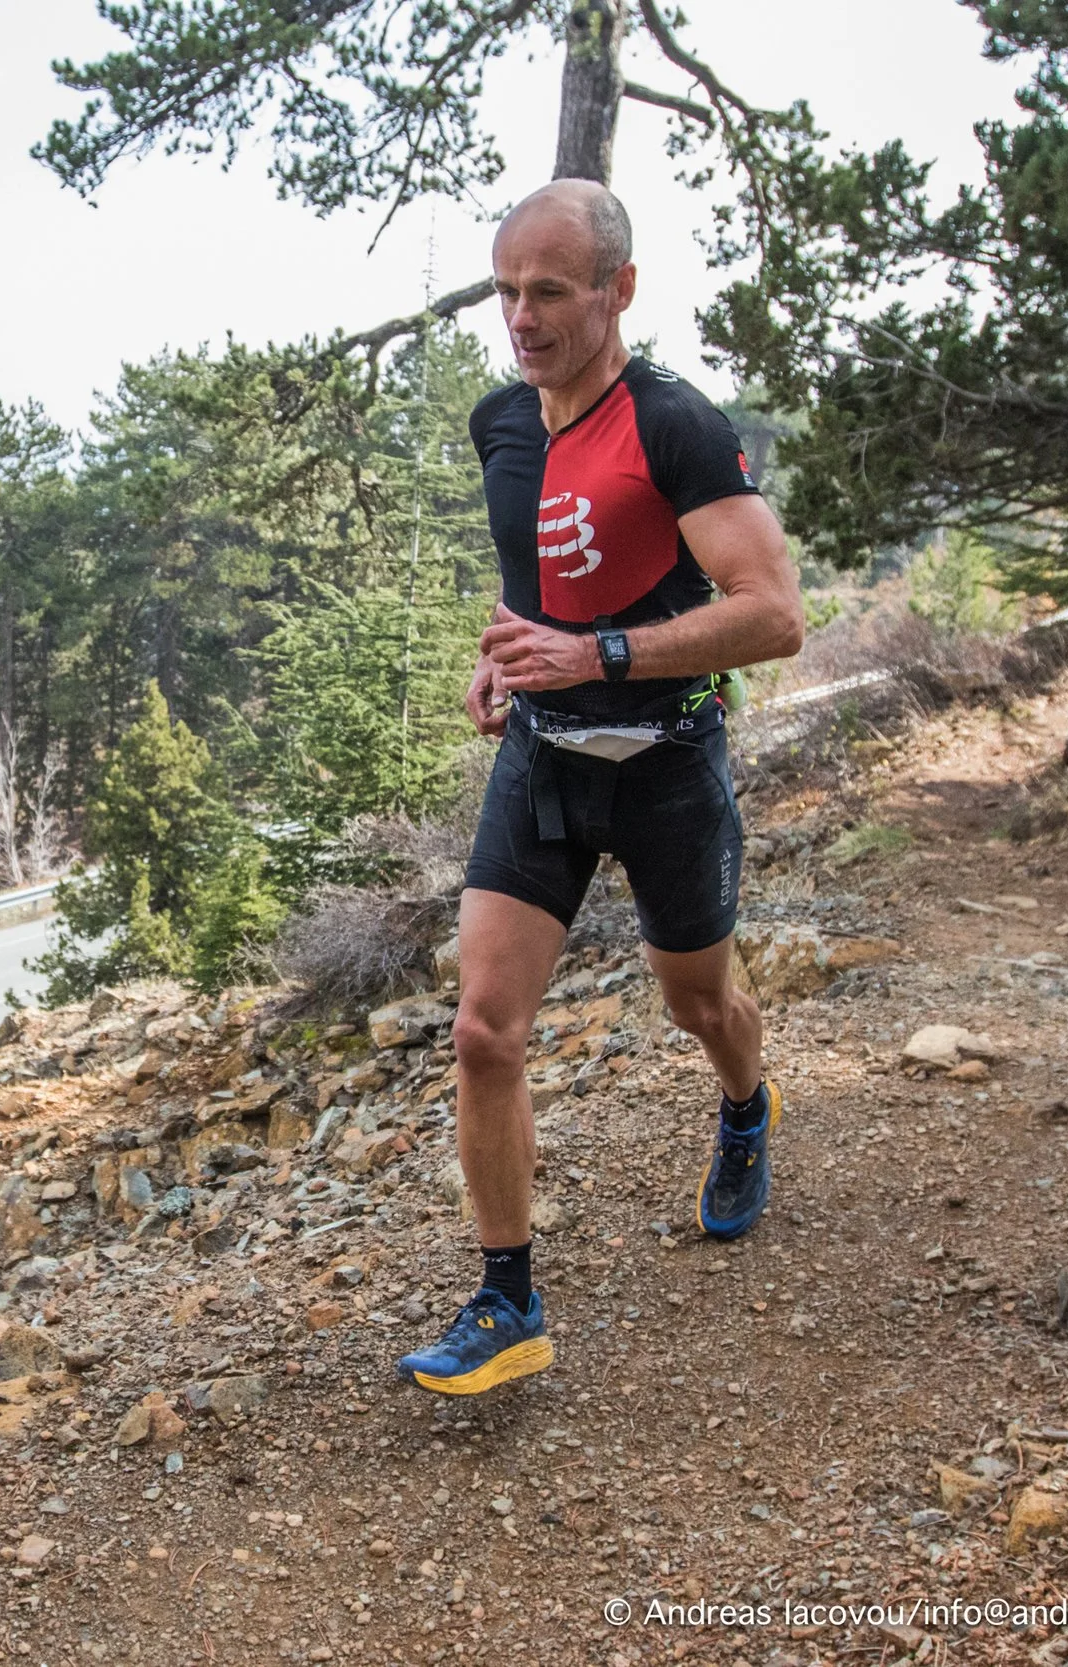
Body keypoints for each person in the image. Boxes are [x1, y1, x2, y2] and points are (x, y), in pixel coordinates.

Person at [395, 180, 806, 1396]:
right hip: (545, 760)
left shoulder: (675, 425)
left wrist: (603, 653)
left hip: (669, 760)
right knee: (483, 1028)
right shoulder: (499, 423)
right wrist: (502, 654)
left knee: (698, 1002)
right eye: (505, 291)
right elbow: (538, 576)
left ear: (618, 290)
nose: (520, 318)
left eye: (550, 292)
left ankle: (745, 1107)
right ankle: (506, 1297)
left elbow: (774, 613)